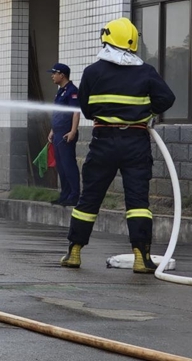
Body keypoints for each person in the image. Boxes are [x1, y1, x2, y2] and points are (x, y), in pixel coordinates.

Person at [60, 17, 175, 273]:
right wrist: (147, 112)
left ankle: (74, 252)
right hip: (135, 141)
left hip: (103, 142)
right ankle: (141, 257)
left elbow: (87, 111)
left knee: (90, 197)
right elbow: (167, 98)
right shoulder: (145, 71)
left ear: (107, 39)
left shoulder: (92, 72)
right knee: (137, 201)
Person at [46, 63, 80, 207]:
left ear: (62, 75)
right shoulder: (60, 92)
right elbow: (58, 112)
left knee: (68, 165)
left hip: (66, 134)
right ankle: (64, 195)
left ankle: (74, 195)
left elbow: (76, 112)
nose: (52, 76)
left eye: (54, 73)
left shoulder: (72, 91)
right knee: (60, 166)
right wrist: (52, 130)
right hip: (58, 133)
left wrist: (73, 131)